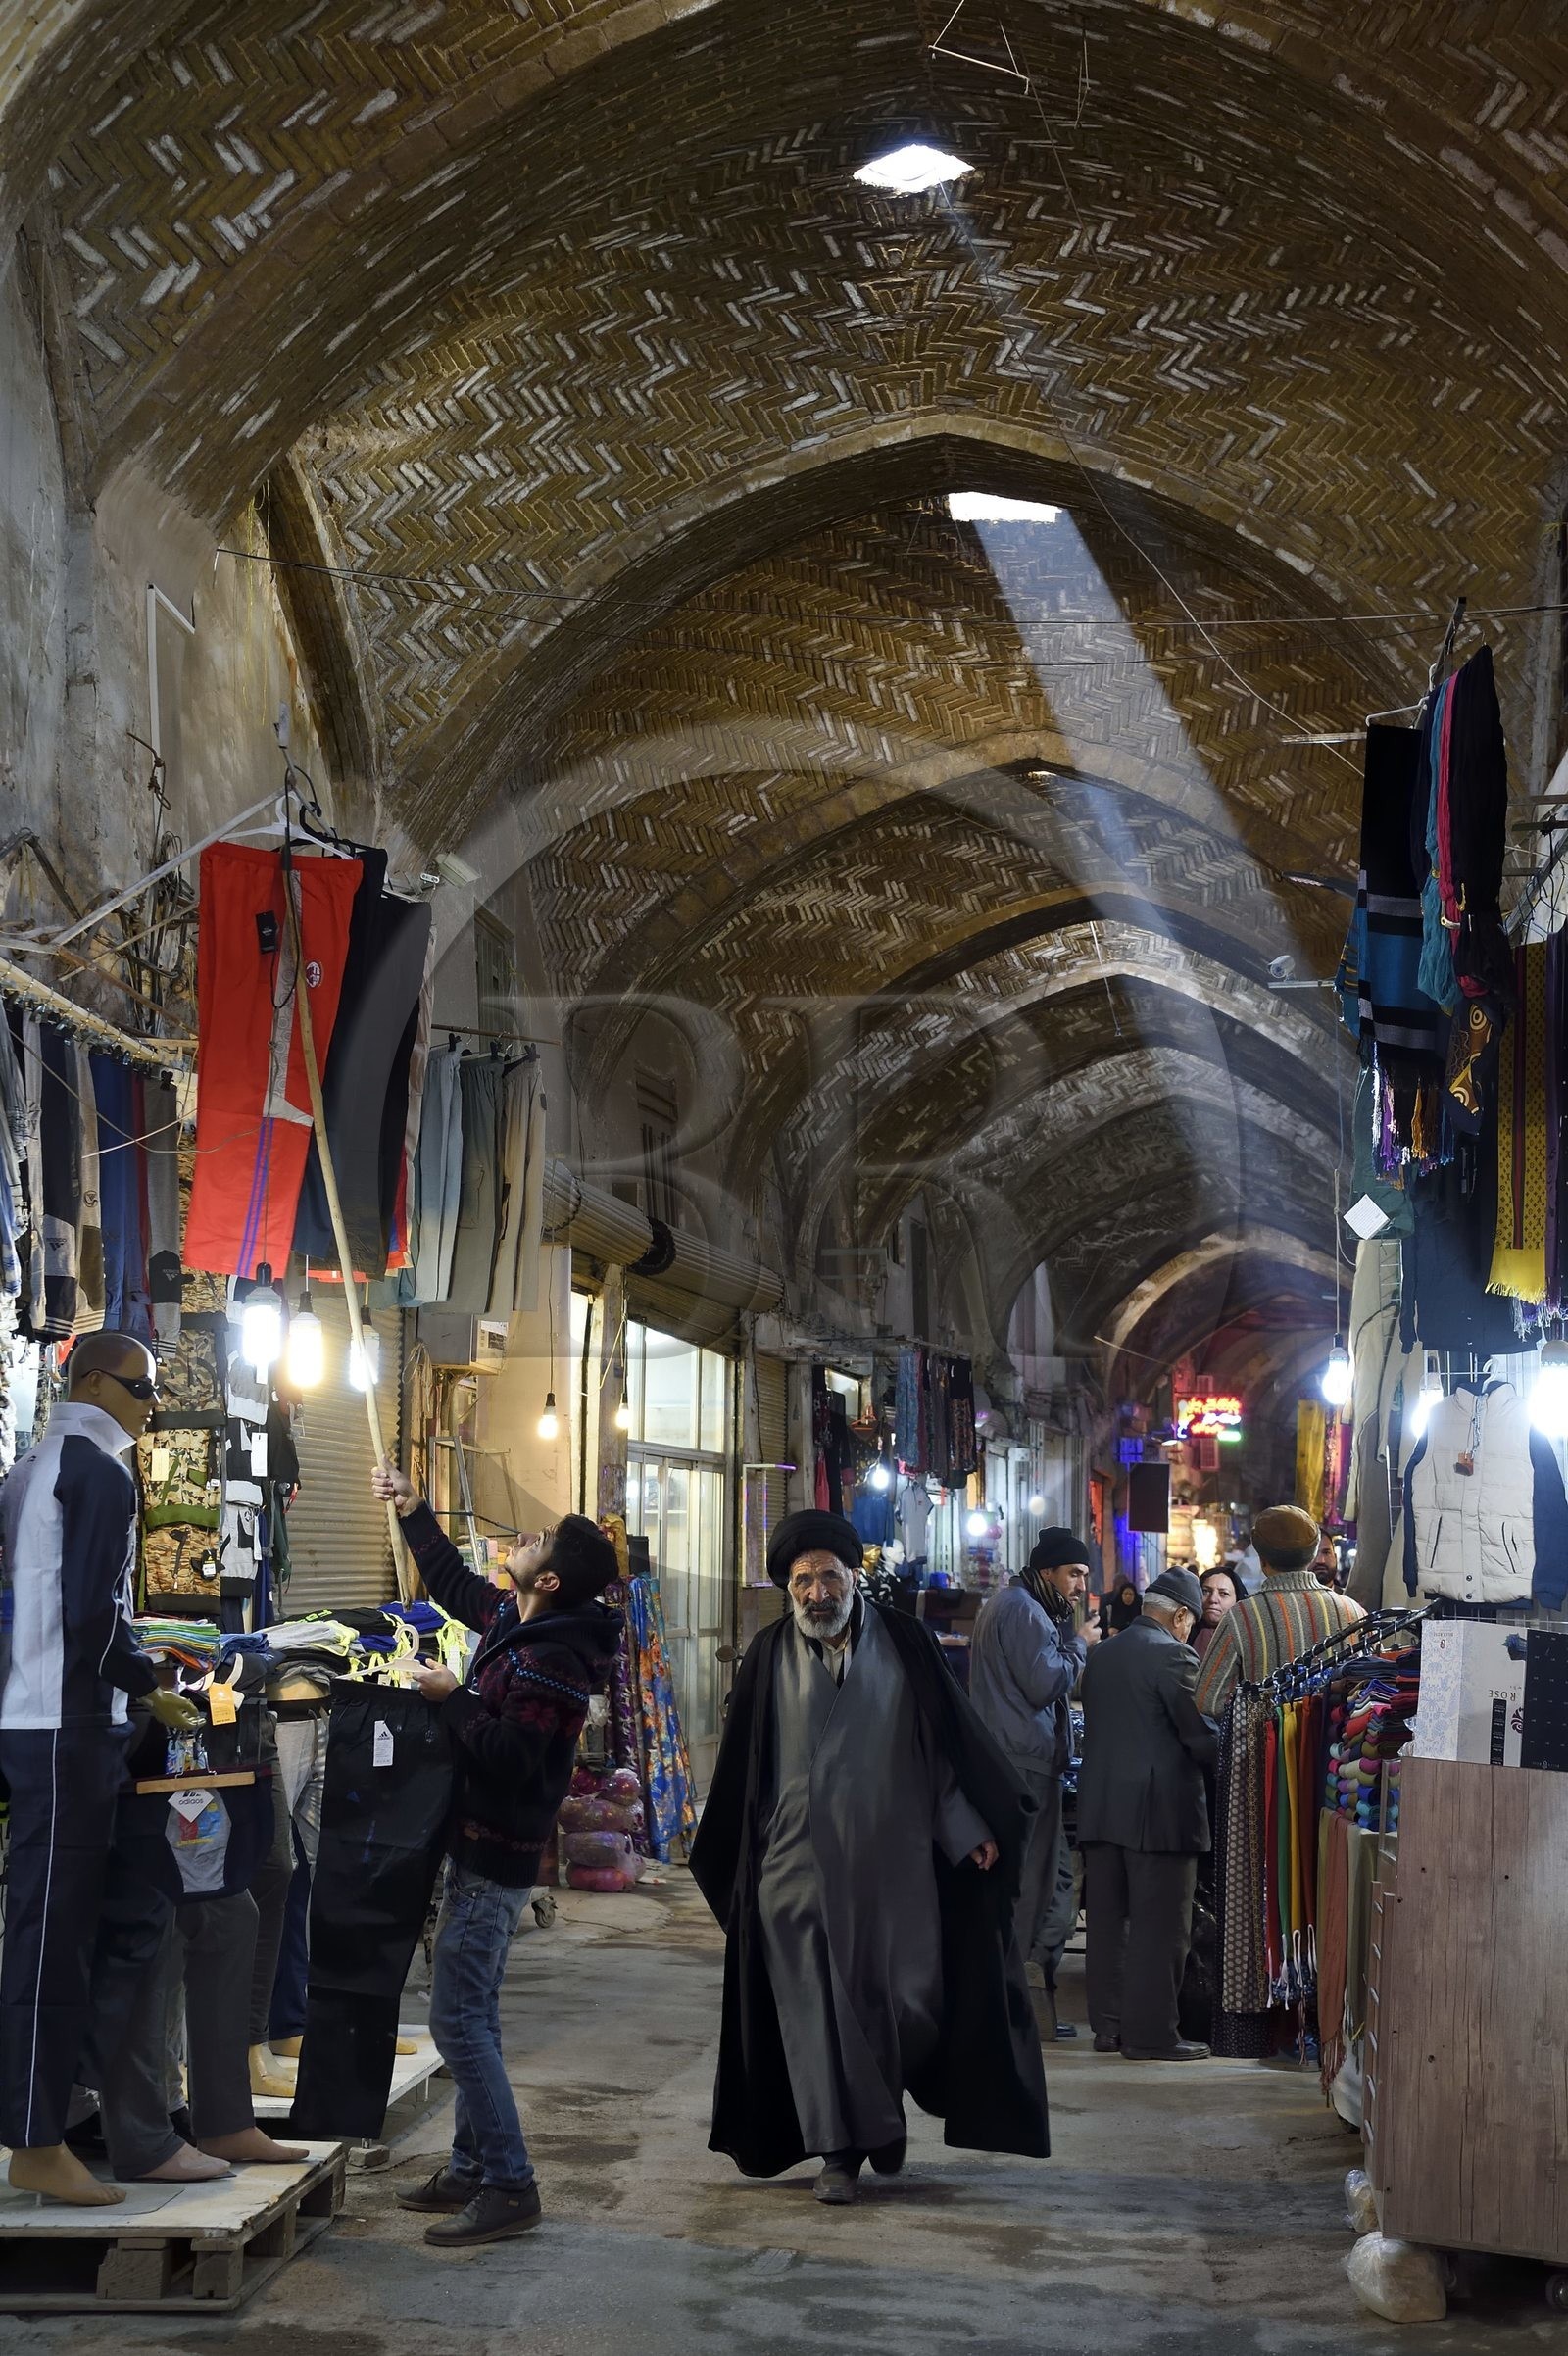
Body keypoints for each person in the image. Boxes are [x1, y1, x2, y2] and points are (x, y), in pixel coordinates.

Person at [690, 1509, 1050, 2207]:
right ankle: (840, 2150)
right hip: (792, 1870)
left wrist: (964, 1825)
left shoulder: (906, 1643)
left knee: (904, 2003)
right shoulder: (766, 1655)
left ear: (854, 1577)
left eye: (829, 1575)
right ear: (787, 1588)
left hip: (895, 1867)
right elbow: (745, 1767)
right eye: (803, 1581)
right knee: (815, 2012)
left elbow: (939, 1748)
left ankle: (878, 2116)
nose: (817, 1593)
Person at [372, 1462, 622, 2247]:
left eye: (536, 1541)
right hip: (480, 1853)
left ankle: (511, 2182)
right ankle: (470, 2167)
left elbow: (514, 1756)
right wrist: (414, 1511)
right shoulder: (522, 1622)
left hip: (496, 1863)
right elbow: (454, 1585)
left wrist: (456, 1701)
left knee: (458, 2023)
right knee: (473, 2014)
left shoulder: (550, 1659)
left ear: (547, 1578)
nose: (521, 1539)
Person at [0, 1331, 202, 2206]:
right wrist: (144, 1682)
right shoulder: (98, 1472)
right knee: (50, 1940)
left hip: (44, 1716)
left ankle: (72, 2116)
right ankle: (37, 2140)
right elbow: (90, 1613)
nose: (151, 1405)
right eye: (141, 1387)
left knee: (97, 1919)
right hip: (66, 1724)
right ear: (90, 1380)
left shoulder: (32, 1468)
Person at [1076, 1567, 1218, 2061]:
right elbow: (1199, 1734)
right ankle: (1152, 2034)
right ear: (1180, 1615)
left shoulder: (1101, 1654)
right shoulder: (1175, 1655)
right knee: (1161, 1928)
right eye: (1189, 1622)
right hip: (1159, 1814)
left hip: (1101, 1809)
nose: (1188, 1632)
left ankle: (1109, 2028)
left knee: (1108, 1926)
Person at [968, 1528, 1100, 2042]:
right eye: (1073, 1574)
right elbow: (1045, 1682)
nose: (1078, 1586)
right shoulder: (1021, 1609)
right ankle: (1016, 2006)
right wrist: (1080, 1645)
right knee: (1032, 1883)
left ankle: (1030, 2002)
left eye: (1084, 1576)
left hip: (1024, 1758)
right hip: (1023, 1762)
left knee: (1052, 1880)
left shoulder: (1019, 1605)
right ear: (1048, 1571)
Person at [1194, 1506, 1365, 1720]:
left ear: (1263, 1561)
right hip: (1340, 1749)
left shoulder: (1242, 1618)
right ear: (1311, 1555)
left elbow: (1208, 1700)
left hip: (1265, 1750)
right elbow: (1375, 1685)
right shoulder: (1354, 1612)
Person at [1193, 1565, 1242, 1661]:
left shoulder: (1246, 1639)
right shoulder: (1181, 1634)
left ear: (1237, 1600)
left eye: (1223, 1593)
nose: (1212, 1599)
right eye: (1206, 1591)